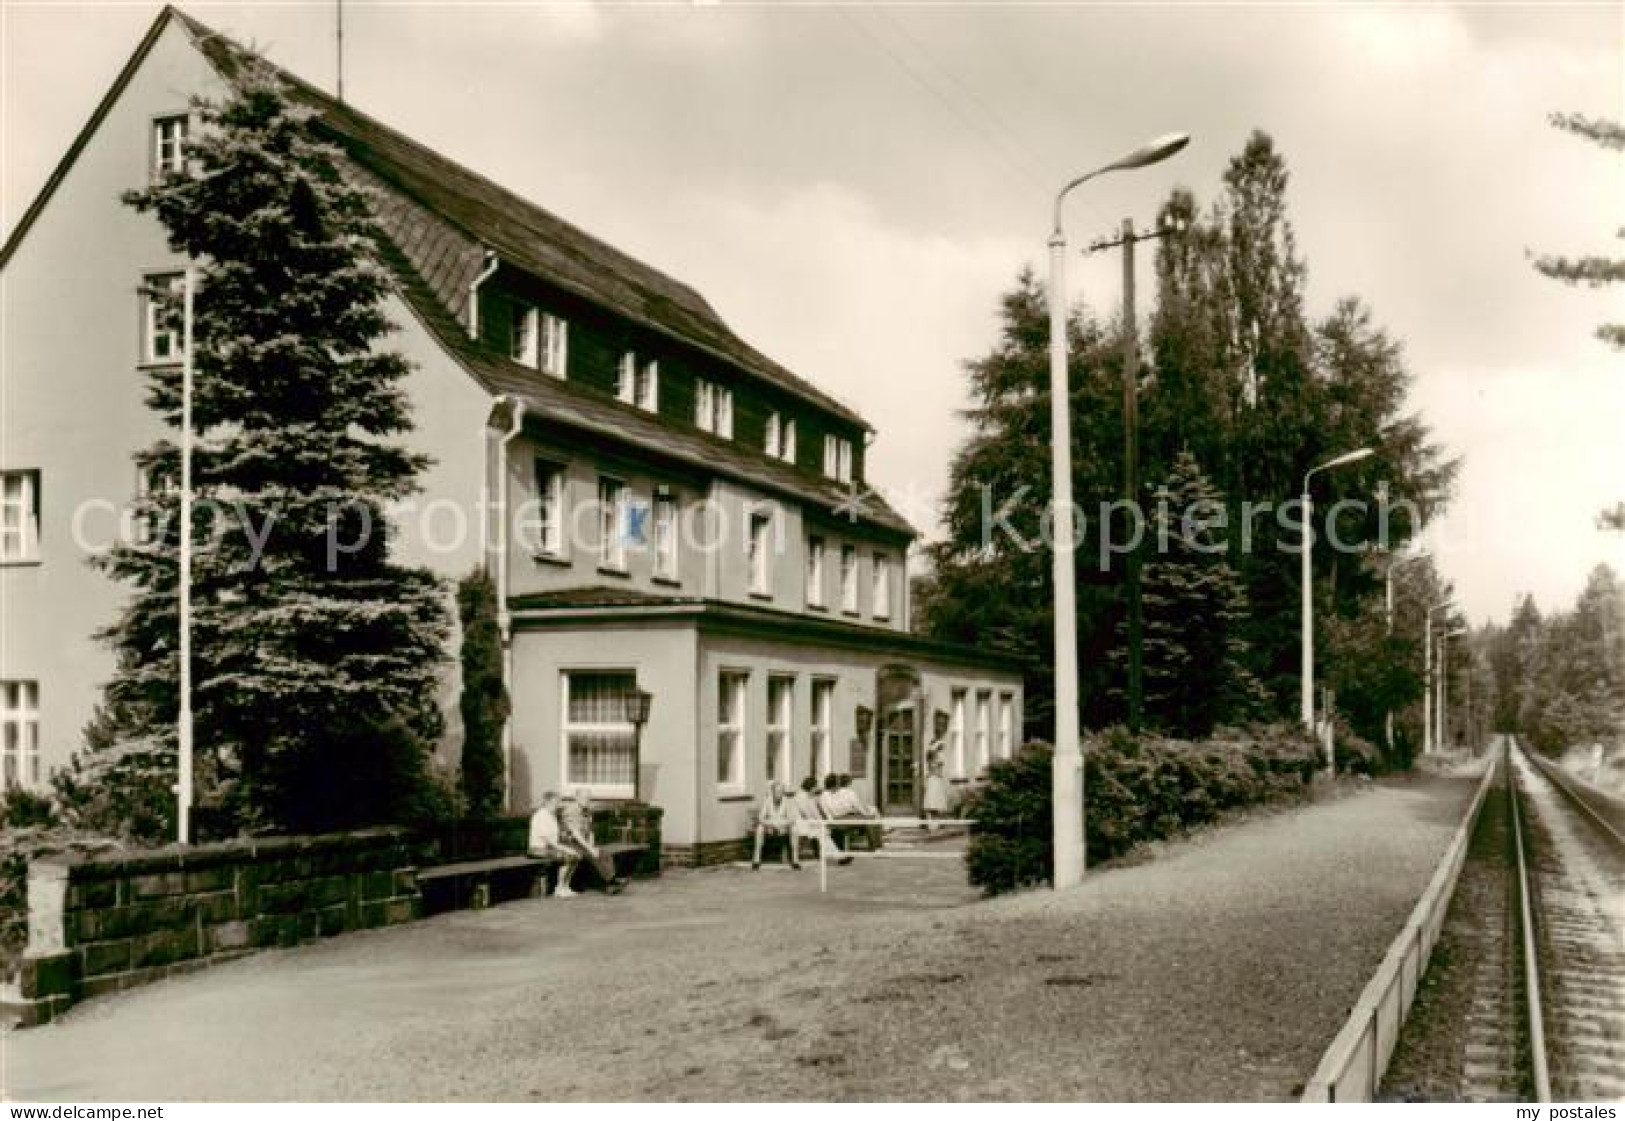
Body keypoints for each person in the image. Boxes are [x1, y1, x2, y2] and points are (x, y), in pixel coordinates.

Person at [559, 789, 627, 894]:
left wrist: (592, 846)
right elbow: (576, 834)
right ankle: (610, 883)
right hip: (569, 843)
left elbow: (590, 831)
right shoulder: (571, 810)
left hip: (581, 843)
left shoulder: (586, 811)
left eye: (588, 798)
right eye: (584, 798)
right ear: (576, 798)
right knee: (593, 855)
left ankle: (611, 881)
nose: (587, 800)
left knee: (605, 854)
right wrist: (590, 848)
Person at [527, 791, 581, 898]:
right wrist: (566, 849)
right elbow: (548, 840)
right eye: (556, 803)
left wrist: (566, 836)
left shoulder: (551, 816)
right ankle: (559, 888)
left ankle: (565, 886)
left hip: (549, 848)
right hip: (537, 849)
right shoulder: (541, 815)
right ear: (548, 802)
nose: (557, 805)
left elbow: (555, 836)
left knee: (576, 855)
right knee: (568, 856)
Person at [792, 776, 852, 866]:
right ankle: (839, 857)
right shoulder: (800, 797)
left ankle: (839, 857)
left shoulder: (810, 797)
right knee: (822, 833)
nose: (817, 788)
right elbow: (807, 814)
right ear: (811, 787)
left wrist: (823, 823)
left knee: (824, 833)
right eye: (816, 786)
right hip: (800, 824)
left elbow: (816, 814)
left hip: (809, 824)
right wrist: (821, 824)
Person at [752, 780, 803, 870]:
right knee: (760, 829)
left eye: (781, 791)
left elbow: (792, 819)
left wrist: (781, 824)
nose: (779, 794)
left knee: (794, 829)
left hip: (784, 828)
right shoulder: (767, 801)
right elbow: (761, 817)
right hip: (770, 827)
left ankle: (795, 860)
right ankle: (756, 860)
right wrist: (771, 824)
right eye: (777, 791)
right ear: (772, 792)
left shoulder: (788, 801)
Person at [922, 749, 950, 831]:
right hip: (933, 781)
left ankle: (934, 824)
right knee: (932, 802)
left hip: (934, 781)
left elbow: (939, 773)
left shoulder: (936, 763)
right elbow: (937, 773)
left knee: (934, 803)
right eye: (935, 755)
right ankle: (932, 825)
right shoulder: (932, 764)